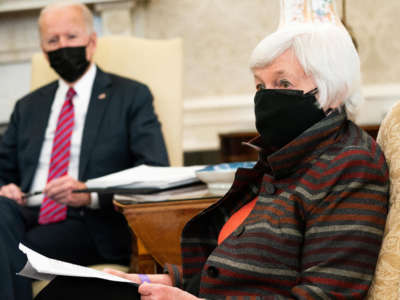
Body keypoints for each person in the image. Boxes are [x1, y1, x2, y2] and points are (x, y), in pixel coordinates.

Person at [38, 0, 389, 299]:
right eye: (259, 85)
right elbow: (233, 269)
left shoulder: (350, 163)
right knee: (71, 288)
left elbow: (323, 294)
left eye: (283, 83)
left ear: (334, 90)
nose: (266, 96)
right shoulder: (284, 159)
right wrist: (159, 279)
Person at [0, 2, 168, 299]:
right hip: (25, 213)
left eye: (71, 37)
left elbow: (153, 170)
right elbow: (3, 169)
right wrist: (5, 188)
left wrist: (88, 194)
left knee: (7, 247)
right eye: (53, 40)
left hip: (88, 222)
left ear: (91, 43)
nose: (62, 46)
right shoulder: (27, 107)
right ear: (43, 50)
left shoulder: (131, 96)